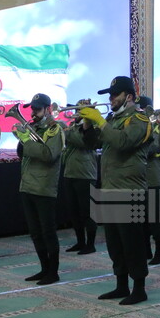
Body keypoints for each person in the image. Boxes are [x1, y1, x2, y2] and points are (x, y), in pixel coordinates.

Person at [81, 77, 151, 305]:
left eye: (114, 95)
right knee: (114, 242)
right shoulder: (112, 119)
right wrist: (87, 124)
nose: (110, 99)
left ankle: (139, 288)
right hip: (110, 188)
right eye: (109, 95)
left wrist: (100, 122)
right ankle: (121, 285)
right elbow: (92, 144)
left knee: (133, 243)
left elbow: (123, 142)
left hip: (129, 190)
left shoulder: (139, 119)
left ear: (128, 96)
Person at [16, 93, 64, 285]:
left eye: (37, 109)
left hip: (44, 186)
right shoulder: (32, 127)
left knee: (47, 231)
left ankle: (53, 271)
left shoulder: (55, 129)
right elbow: (22, 154)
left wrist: (27, 141)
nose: (34, 113)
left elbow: (48, 154)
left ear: (48, 109)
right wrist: (21, 138)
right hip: (27, 184)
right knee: (35, 232)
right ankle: (44, 268)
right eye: (33, 109)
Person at [62, 99, 98, 255]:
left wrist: (66, 130)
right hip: (70, 173)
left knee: (88, 212)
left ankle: (90, 244)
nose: (75, 114)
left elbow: (82, 142)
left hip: (85, 174)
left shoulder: (91, 127)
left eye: (79, 111)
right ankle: (80, 242)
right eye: (76, 111)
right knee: (74, 212)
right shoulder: (73, 127)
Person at [137, 96, 160, 265]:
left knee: (157, 220)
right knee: (141, 221)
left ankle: (159, 252)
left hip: (155, 180)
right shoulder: (138, 128)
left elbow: (155, 147)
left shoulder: (157, 128)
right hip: (139, 180)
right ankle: (146, 250)